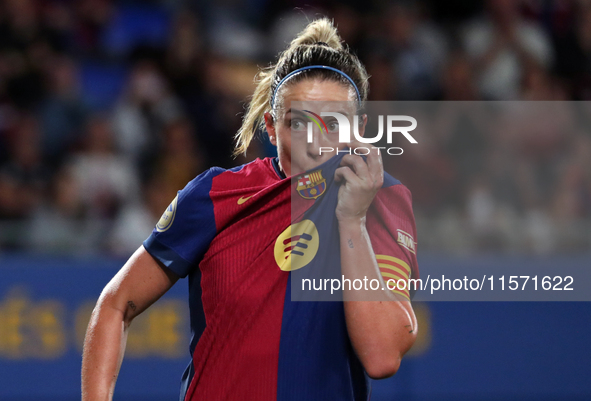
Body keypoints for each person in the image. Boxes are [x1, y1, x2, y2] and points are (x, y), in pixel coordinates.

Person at [81, 18, 419, 401]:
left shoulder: (381, 198)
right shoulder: (214, 194)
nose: (317, 140)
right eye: (299, 123)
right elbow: (114, 305)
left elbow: (382, 356)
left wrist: (353, 220)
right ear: (271, 127)